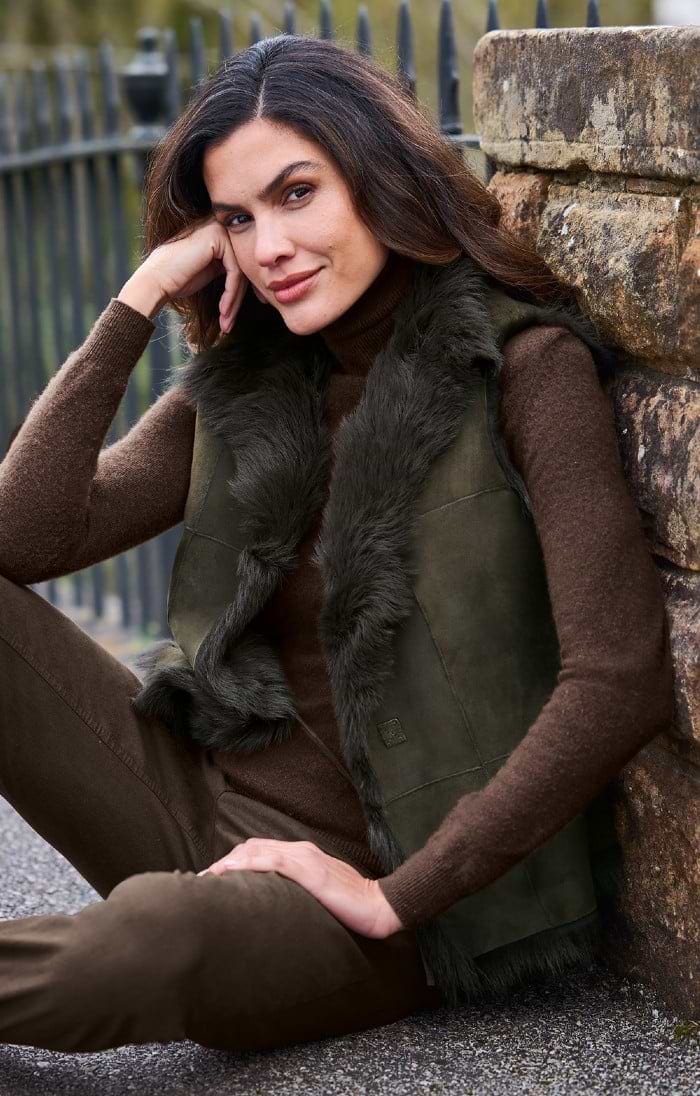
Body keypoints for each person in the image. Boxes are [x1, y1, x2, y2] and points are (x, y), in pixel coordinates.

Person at [0, 34, 673, 1055]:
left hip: (376, 892)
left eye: (297, 193)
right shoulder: (253, 375)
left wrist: (398, 897)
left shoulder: (521, 367)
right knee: (162, 920)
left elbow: (618, 680)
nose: (268, 246)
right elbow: (27, 536)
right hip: (196, 803)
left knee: (148, 940)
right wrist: (141, 296)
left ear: (378, 175)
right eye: (236, 218)